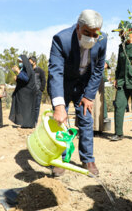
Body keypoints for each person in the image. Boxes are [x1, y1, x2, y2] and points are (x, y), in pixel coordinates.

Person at [48, 9, 106, 176]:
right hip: (64, 83)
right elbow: (56, 72)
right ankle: (61, 158)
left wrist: (88, 96)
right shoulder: (62, 39)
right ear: (78, 28)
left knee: (86, 119)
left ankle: (87, 159)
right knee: (61, 122)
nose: (91, 38)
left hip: (83, 85)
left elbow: (98, 70)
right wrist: (59, 105)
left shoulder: (102, 40)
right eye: (86, 33)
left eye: (95, 34)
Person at [9, 55, 37, 128]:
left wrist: (18, 71)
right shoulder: (24, 69)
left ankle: (27, 124)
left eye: (21, 62)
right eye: (19, 62)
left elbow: (26, 78)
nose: (19, 63)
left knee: (27, 110)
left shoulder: (28, 69)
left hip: (27, 94)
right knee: (22, 109)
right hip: (23, 94)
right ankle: (23, 123)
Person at [29, 56, 46, 126]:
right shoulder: (29, 71)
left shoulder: (40, 70)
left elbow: (44, 81)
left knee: (36, 107)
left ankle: (34, 122)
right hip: (30, 92)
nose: (29, 63)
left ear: (34, 62)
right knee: (29, 107)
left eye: (30, 62)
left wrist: (40, 90)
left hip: (37, 91)